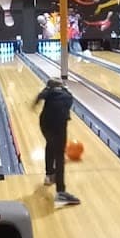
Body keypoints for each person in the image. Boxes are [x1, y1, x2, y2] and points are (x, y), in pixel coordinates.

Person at [34, 78, 80, 207]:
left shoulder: (47, 92)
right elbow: (69, 100)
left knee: (50, 145)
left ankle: (49, 176)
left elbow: (39, 96)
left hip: (44, 124)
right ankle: (61, 193)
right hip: (58, 125)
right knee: (60, 156)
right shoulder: (67, 95)